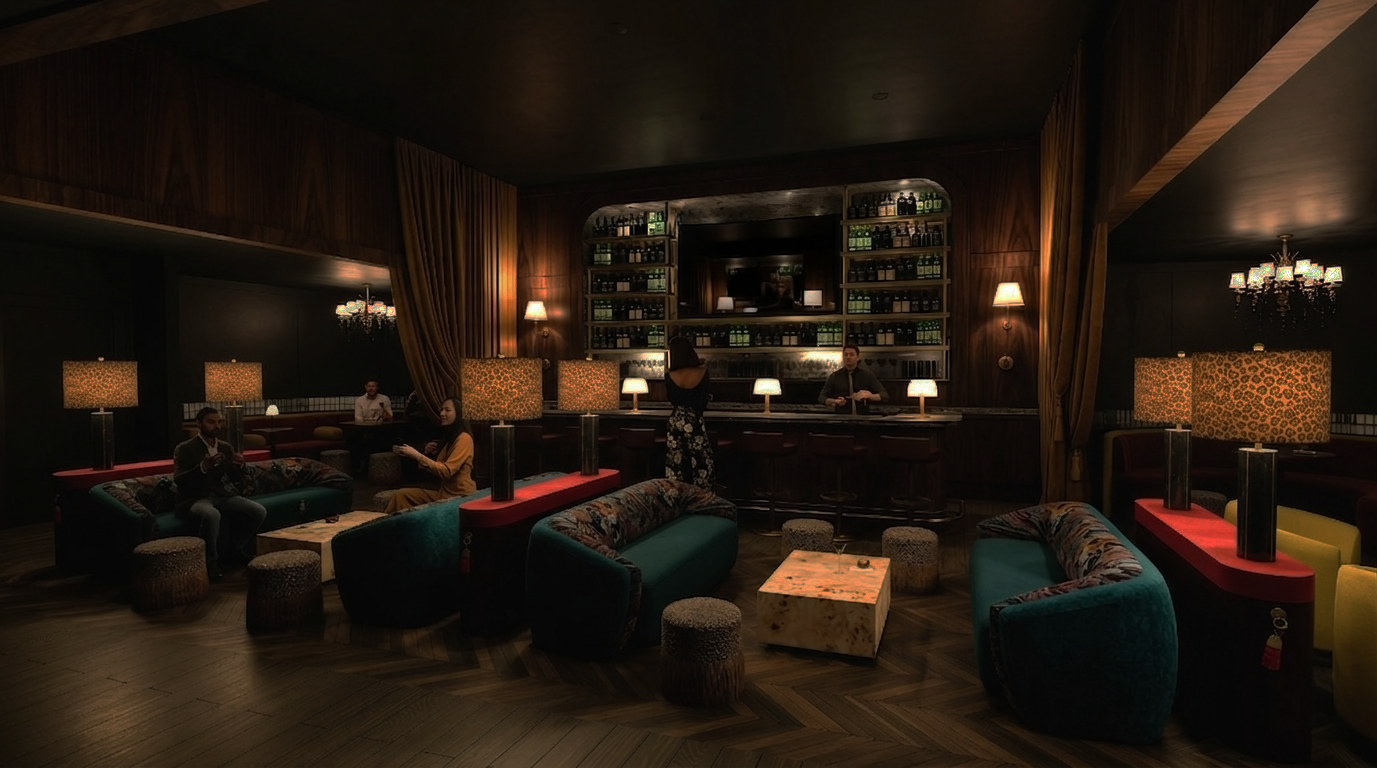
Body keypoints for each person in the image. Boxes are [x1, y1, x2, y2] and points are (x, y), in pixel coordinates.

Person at [173, 406, 268, 581]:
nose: (216, 426)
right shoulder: (185, 448)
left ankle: (235, 549)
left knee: (258, 511)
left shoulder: (225, 447)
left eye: (219, 422)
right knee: (212, 514)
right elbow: (179, 480)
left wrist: (241, 466)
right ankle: (211, 562)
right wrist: (203, 467)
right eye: (211, 422)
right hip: (194, 498)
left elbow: (234, 477)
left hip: (221, 495)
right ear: (199, 423)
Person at [384, 397, 476, 514]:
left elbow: (447, 471)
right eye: (441, 410)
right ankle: (384, 522)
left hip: (459, 496)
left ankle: (383, 524)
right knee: (401, 495)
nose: (442, 413)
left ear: (459, 414)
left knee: (403, 496)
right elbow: (436, 466)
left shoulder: (464, 438)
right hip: (443, 493)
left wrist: (417, 456)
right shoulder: (450, 438)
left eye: (447, 410)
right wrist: (424, 452)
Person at [664, 335, 715, 490]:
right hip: (694, 419)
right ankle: (703, 495)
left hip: (675, 419)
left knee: (676, 463)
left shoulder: (669, 375)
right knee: (702, 461)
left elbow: (672, 399)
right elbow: (703, 399)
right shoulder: (702, 371)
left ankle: (676, 495)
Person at [818, 343, 889, 415]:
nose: (848, 357)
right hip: (841, 418)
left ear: (858, 357)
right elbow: (821, 398)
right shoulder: (834, 376)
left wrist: (869, 396)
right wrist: (834, 401)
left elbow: (885, 396)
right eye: (846, 355)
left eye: (851, 354)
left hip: (863, 418)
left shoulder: (867, 375)